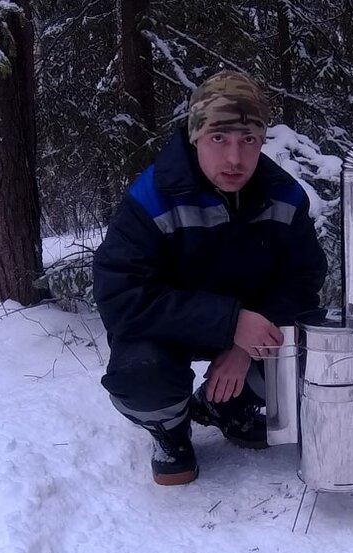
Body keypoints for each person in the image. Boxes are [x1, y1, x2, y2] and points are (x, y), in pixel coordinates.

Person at [93, 70, 328, 486]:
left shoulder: (285, 196)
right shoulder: (152, 196)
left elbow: (303, 280)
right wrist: (230, 322)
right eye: (219, 139)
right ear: (195, 136)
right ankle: (170, 429)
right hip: (172, 331)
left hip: (252, 325)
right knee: (139, 373)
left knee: (311, 346)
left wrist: (245, 345)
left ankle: (228, 405)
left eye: (248, 140)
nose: (235, 158)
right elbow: (121, 295)